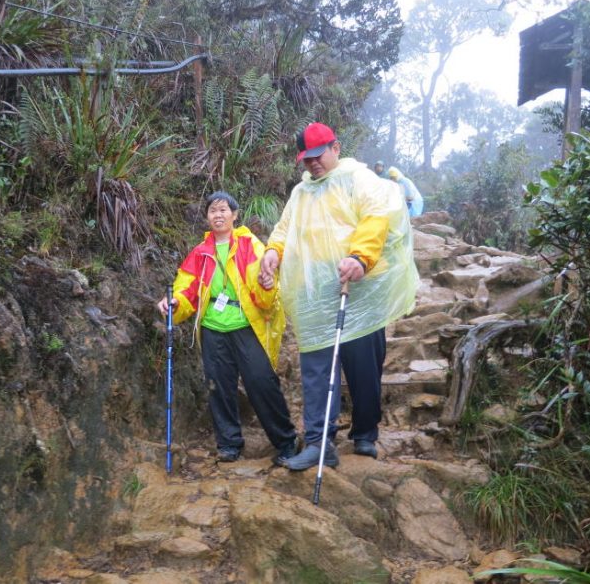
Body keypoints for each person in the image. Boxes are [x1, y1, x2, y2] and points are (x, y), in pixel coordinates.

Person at [258, 123, 418, 470]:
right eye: (306, 158)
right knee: (317, 369)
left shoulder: (357, 178)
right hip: (316, 296)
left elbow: (377, 216)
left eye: (318, 155)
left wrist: (361, 256)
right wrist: (274, 250)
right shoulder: (301, 192)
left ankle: (365, 433)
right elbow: (286, 228)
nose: (312, 163)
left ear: (335, 147)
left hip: (356, 288)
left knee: (363, 367)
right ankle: (319, 443)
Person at [156, 191, 299, 464]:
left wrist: (268, 286)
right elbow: (186, 286)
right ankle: (229, 443)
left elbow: (266, 283)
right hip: (212, 327)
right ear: (208, 217)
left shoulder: (250, 244)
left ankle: (285, 440)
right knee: (218, 386)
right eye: (213, 210)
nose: (218, 215)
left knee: (261, 382)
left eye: (223, 210)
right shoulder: (201, 252)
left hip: (246, 325)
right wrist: (174, 301)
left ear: (235, 215)